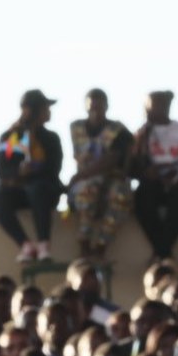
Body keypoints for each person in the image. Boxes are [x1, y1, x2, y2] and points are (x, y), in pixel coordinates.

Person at [0, 89, 65, 264]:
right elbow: (1, 170)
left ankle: (44, 245)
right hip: (19, 191)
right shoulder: (12, 137)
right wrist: (18, 172)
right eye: (45, 108)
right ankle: (26, 245)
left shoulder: (51, 138)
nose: (49, 112)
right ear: (32, 110)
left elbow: (55, 168)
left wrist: (35, 169)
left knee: (37, 189)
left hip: (46, 191)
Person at [132, 91, 178, 262]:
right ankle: (164, 252)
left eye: (157, 105)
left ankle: (160, 252)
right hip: (154, 183)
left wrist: (173, 174)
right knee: (141, 197)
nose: (153, 110)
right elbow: (136, 165)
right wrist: (144, 136)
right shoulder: (142, 134)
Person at [66, 88, 136, 264]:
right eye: (92, 108)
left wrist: (80, 175)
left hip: (112, 178)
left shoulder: (118, 130)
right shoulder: (76, 128)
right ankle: (84, 246)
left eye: (100, 107)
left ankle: (100, 248)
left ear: (106, 107)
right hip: (86, 182)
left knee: (119, 197)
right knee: (87, 192)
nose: (95, 112)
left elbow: (112, 159)